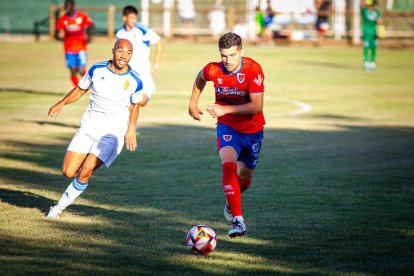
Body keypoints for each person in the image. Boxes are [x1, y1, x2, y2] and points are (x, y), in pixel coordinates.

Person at [46, 39, 144, 219]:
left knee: (86, 169)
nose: (124, 56)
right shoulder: (97, 69)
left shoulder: (135, 80)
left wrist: (131, 128)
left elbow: (135, 105)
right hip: (89, 127)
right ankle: (72, 189)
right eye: (120, 51)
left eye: (128, 52)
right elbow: (80, 89)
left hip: (112, 133)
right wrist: (61, 103)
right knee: (68, 171)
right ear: (113, 50)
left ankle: (58, 209)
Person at [188, 33, 265, 238]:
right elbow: (200, 78)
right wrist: (193, 103)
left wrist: (225, 109)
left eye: (232, 55)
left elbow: (257, 106)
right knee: (228, 165)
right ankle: (238, 221)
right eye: (224, 55)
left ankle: (231, 203)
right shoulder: (214, 69)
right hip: (228, 128)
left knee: (245, 179)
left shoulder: (253, 69)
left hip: (253, 130)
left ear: (241, 52)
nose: (228, 61)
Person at [115, 5, 163, 107]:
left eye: (135, 18)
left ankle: (131, 122)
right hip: (127, 72)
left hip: (144, 72)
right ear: (125, 18)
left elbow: (159, 43)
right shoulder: (119, 32)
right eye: (131, 18)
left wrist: (156, 64)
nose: (134, 20)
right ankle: (130, 123)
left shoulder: (142, 30)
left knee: (141, 102)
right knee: (127, 101)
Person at [55, 0, 94, 87]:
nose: (67, 8)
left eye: (69, 6)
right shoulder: (62, 19)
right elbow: (56, 34)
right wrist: (63, 39)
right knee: (73, 70)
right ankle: (77, 88)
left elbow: (91, 25)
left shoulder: (82, 16)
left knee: (80, 70)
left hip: (81, 48)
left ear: (73, 6)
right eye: (66, 6)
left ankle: (90, 86)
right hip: (69, 49)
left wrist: (89, 37)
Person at [361, 0, 382, 70]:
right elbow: (361, 4)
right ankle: (366, 61)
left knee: (374, 47)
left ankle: (373, 61)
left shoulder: (376, 13)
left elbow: (380, 22)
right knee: (366, 47)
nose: (370, 7)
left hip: (373, 33)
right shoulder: (365, 11)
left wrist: (379, 23)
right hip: (366, 33)